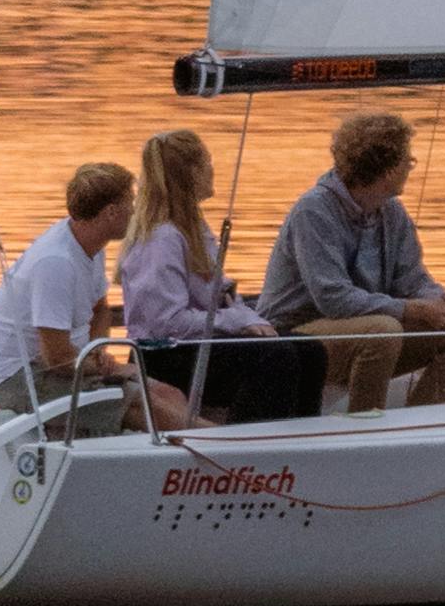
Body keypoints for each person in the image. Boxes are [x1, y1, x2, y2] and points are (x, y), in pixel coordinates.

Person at [258, 112, 445, 415]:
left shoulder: (391, 212)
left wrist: (438, 299)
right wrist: (412, 309)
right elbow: (333, 299)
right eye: (407, 161)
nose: (411, 166)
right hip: (293, 333)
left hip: (362, 324)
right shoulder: (314, 211)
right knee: (382, 331)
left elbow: (411, 280)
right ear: (387, 169)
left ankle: (423, 420)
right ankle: (365, 425)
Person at [117, 127, 326, 426]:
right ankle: (248, 443)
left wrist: (251, 320)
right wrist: (236, 322)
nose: (213, 170)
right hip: (165, 355)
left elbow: (223, 297)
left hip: (194, 344)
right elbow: (167, 323)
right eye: (208, 162)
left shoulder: (194, 229)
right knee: (274, 358)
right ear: (191, 172)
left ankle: (300, 436)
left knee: (309, 350)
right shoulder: (162, 238)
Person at [0, 159, 187, 437]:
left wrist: (98, 353)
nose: (135, 211)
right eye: (130, 203)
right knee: (148, 407)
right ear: (112, 212)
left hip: (62, 364)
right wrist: (105, 369)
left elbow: (100, 309)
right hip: (21, 377)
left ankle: (205, 454)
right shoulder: (56, 262)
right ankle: (226, 451)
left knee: (168, 394)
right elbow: (57, 357)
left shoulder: (90, 245)